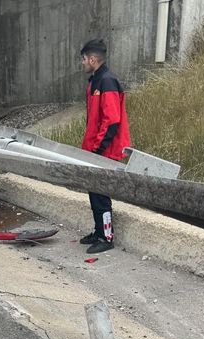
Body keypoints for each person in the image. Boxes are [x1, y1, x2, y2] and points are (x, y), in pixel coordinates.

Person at [78, 39, 131, 254]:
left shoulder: (107, 82)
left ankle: (106, 236)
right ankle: (99, 231)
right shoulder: (96, 81)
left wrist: (97, 151)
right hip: (95, 148)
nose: (82, 63)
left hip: (104, 151)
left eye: (83, 59)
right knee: (94, 192)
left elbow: (112, 121)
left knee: (101, 195)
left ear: (92, 59)